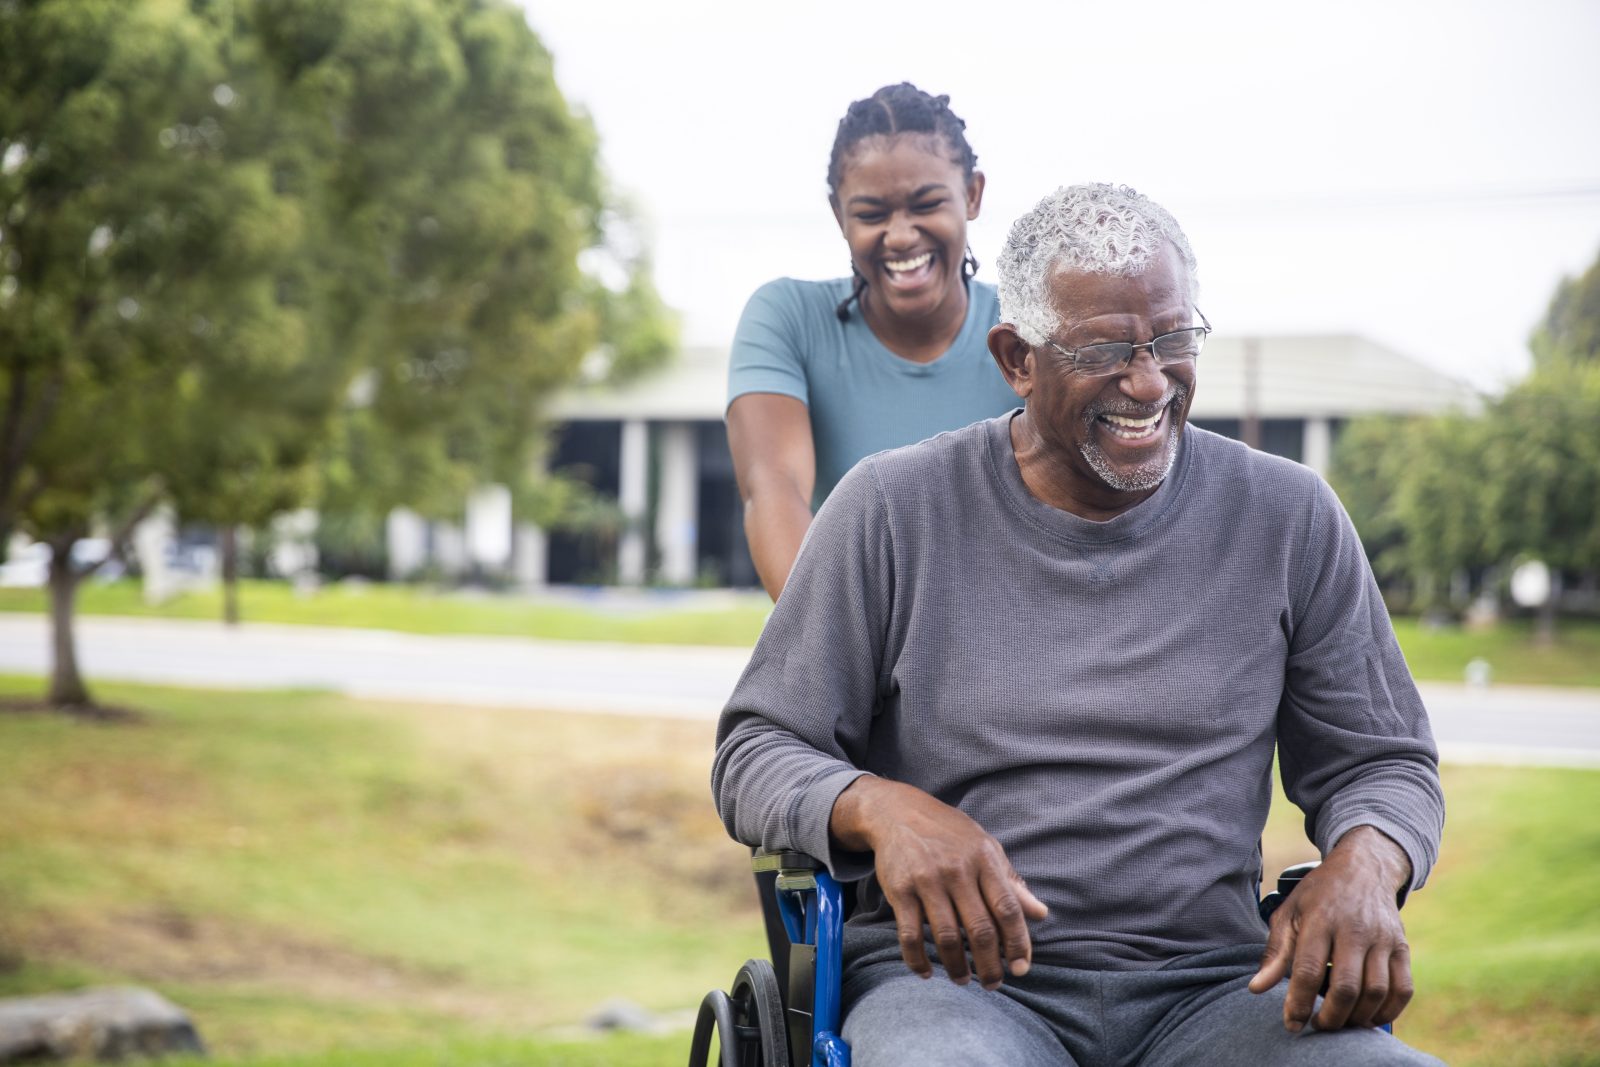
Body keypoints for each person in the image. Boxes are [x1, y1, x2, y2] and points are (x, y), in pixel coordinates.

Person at [713, 183, 1446, 1066]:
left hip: (1217, 990)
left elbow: (1385, 760)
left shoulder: (1288, 515)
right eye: (1104, 349)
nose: (1149, 381)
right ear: (1017, 358)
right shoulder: (892, 508)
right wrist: (880, 807)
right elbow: (755, 749)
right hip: (957, 988)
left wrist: (1367, 860)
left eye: (1173, 339)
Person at [726, 82, 1019, 601]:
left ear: (972, 195)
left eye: (927, 203)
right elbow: (773, 486)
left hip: (1003, 634)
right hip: (846, 633)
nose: (900, 235)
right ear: (839, 215)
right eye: (871, 214)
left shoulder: (1028, 328)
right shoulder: (788, 318)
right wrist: (835, 637)